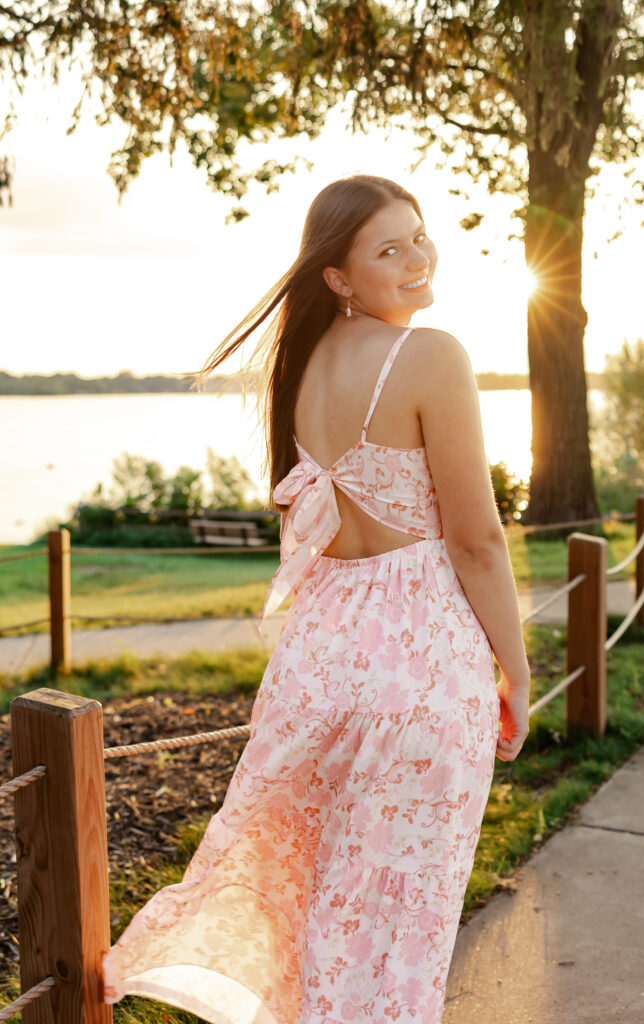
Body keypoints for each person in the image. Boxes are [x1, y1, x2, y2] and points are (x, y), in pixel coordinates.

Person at [101, 174, 531, 1023]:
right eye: (388, 247)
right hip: (420, 666)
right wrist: (513, 669)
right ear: (338, 276)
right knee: (400, 925)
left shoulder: (301, 370)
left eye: (419, 234)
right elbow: (476, 541)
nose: (417, 258)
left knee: (322, 905)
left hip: (321, 661)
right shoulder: (431, 354)